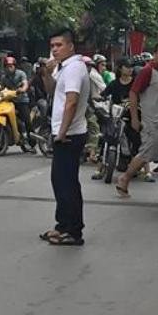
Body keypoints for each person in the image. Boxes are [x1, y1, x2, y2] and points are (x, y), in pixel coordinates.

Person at [39, 28, 91, 246]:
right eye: (52, 46)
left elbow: (71, 101)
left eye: (59, 45)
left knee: (67, 183)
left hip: (69, 135)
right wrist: (46, 73)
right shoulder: (63, 68)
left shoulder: (74, 68)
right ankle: (62, 225)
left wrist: (61, 133)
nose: (55, 49)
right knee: (60, 182)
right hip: (64, 132)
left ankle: (73, 231)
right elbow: (52, 91)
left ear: (70, 46)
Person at [116, 41, 158, 198]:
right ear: (155, 54)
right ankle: (124, 179)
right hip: (153, 123)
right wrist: (135, 118)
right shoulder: (147, 71)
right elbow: (133, 93)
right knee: (145, 154)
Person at [0, 55, 30, 149]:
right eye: (7, 66)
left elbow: (25, 83)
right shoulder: (4, 77)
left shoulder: (21, 74)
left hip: (21, 100)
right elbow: (1, 88)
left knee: (26, 121)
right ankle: (5, 141)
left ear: (14, 66)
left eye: (11, 66)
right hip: (9, 101)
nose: (9, 68)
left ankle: (30, 139)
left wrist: (23, 89)